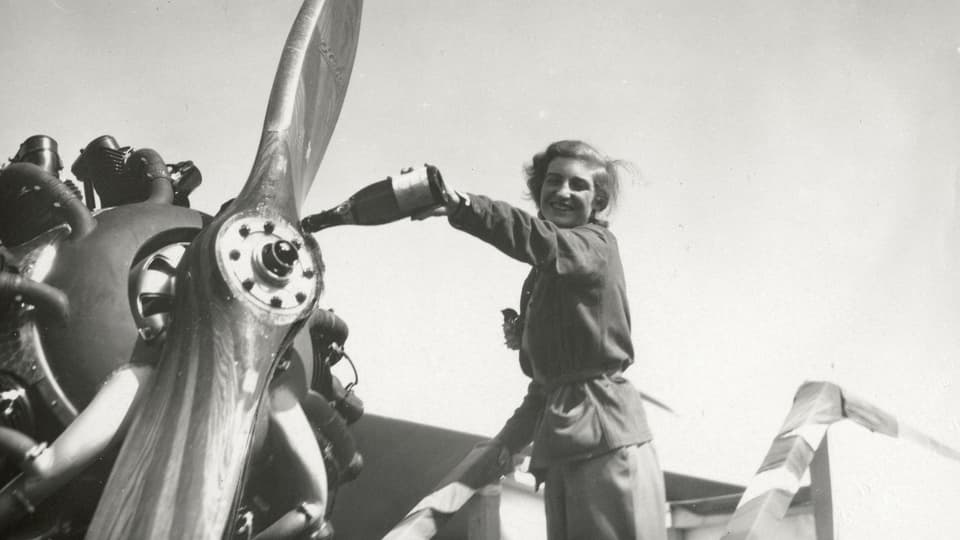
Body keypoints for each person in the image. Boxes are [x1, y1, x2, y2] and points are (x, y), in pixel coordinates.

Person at [418, 140, 667, 540]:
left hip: (605, 441)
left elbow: (542, 239)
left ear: (597, 201)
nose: (563, 192)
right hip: (563, 448)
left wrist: (463, 207)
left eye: (578, 185)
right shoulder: (543, 279)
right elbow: (544, 391)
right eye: (554, 181)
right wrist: (505, 444)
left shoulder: (595, 246)